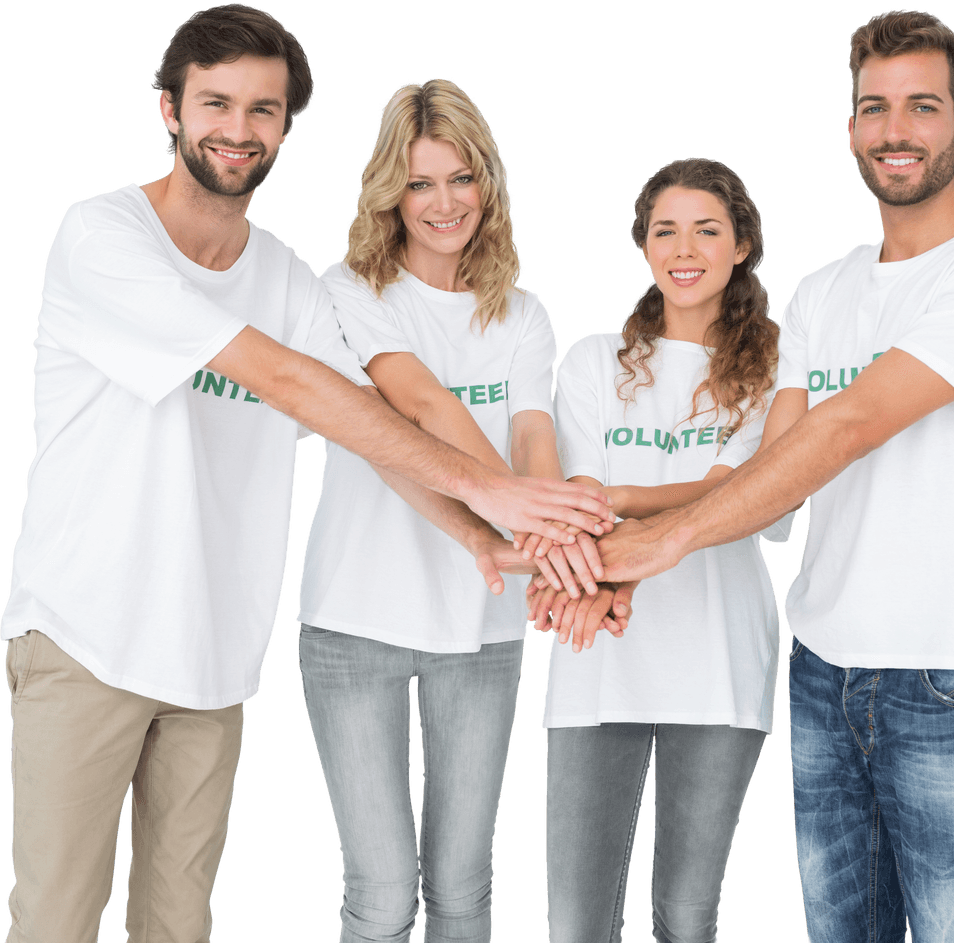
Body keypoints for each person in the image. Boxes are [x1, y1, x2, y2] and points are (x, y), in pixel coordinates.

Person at [0, 8, 612, 942]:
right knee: (56, 920)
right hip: (88, 636)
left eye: (264, 109)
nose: (238, 128)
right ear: (169, 108)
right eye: (215, 103)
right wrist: (496, 493)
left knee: (179, 923)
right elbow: (294, 383)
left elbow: (372, 426)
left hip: (211, 658)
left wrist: (482, 536)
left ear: (287, 127)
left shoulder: (284, 277)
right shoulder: (102, 235)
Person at [596, 10, 954, 942]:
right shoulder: (824, 292)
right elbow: (773, 471)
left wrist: (657, 541)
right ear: (852, 130)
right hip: (823, 670)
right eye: (874, 108)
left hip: (951, 671)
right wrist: (622, 548)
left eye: (923, 107)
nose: (897, 130)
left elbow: (849, 425)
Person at [295, 77, 602, 943]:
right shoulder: (348, 291)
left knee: (463, 887)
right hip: (355, 623)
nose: (443, 203)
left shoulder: (523, 314)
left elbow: (534, 436)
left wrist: (547, 534)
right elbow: (419, 405)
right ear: (390, 192)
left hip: (483, 627)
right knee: (383, 891)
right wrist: (530, 521)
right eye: (420, 182)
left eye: (461, 178)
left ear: (487, 185)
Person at [529, 158, 791, 943]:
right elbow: (581, 496)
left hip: (718, 666)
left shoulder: (779, 370)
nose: (684, 249)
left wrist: (621, 506)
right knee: (576, 924)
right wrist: (613, 522)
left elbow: (738, 498)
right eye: (665, 230)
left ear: (741, 245)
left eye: (707, 230)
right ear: (642, 244)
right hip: (596, 654)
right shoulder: (592, 361)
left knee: (686, 916)